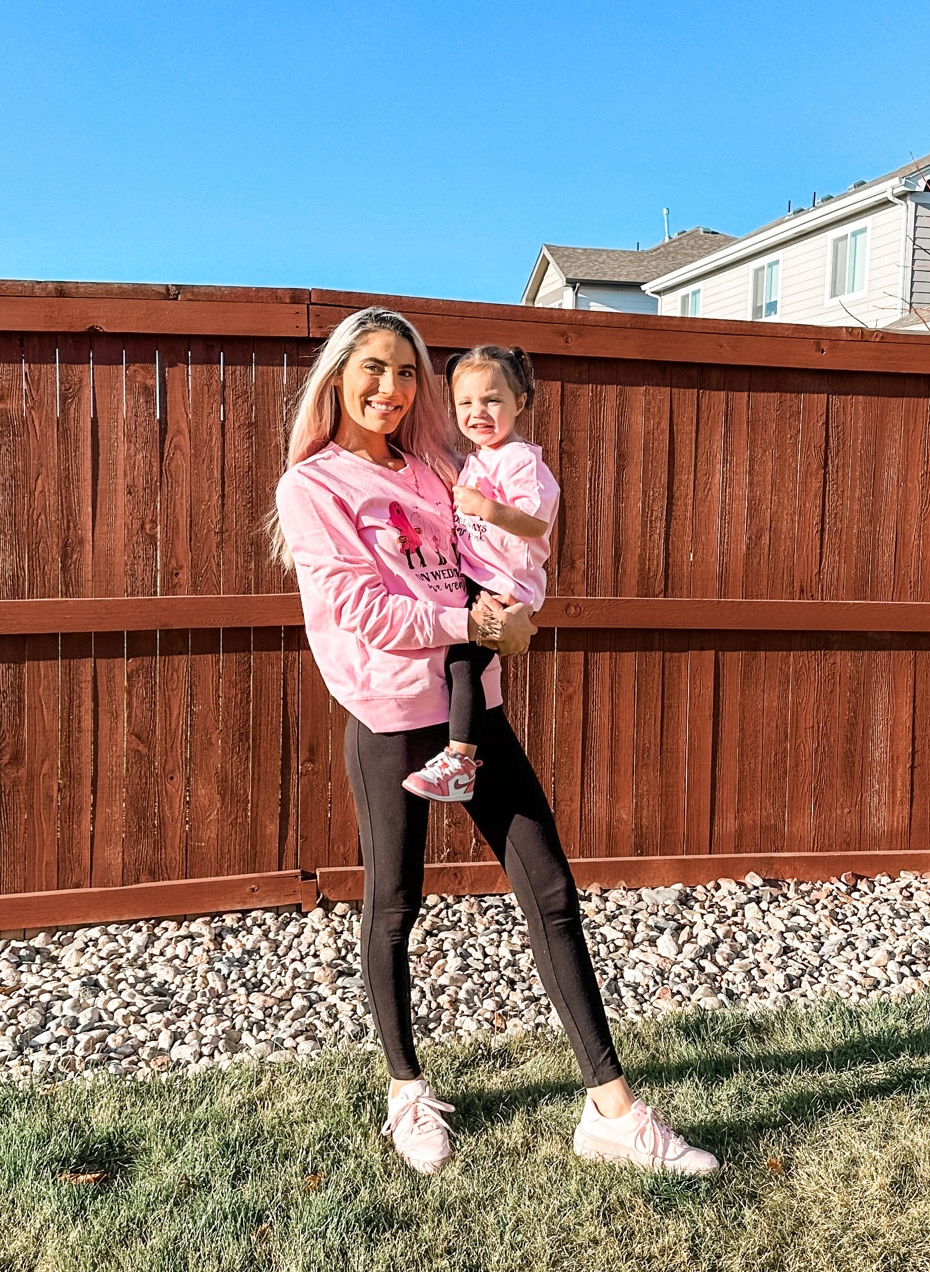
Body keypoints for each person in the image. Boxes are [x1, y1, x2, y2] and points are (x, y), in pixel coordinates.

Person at [270, 306, 718, 1181]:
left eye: (407, 372)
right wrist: (473, 624)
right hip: (391, 716)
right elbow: (361, 610)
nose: (391, 388)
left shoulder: (437, 467)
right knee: (393, 905)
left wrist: (512, 615)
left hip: (476, 709)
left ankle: (612, 1111)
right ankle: (406, 1091)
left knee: (550, 889)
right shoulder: (313, 485)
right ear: (338, 375)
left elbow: (508, 545)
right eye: (373, 368)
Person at [401, 344, 557, 804]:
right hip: (477, 580)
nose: (478, 412)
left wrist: (487, 508)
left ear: (520, 402)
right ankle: (458, 757)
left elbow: (537, 523)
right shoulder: (477, 459)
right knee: (460, 665)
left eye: (492, 400)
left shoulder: (521, 460)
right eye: (465, 402)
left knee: (464, 665)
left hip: (505, 585)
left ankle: (460, 762)